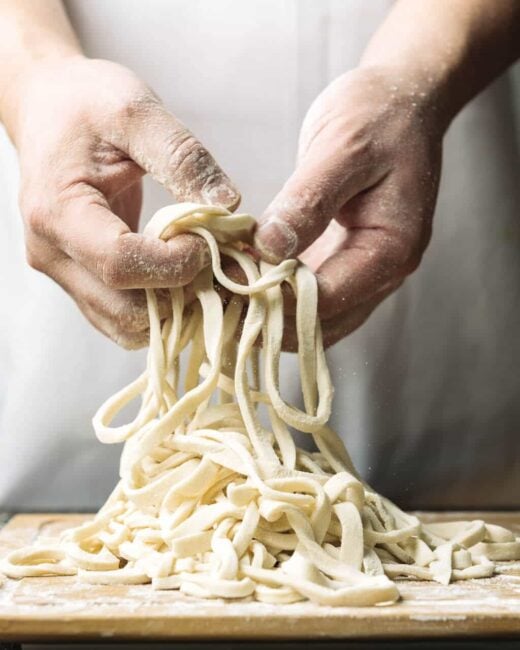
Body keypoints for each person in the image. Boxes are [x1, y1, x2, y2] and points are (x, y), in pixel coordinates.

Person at [0, 0, 518, 514]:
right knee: (124, 513)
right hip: (70, 144)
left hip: (442, 333)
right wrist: (34, 78)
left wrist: (419, 75)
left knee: (441, 516)